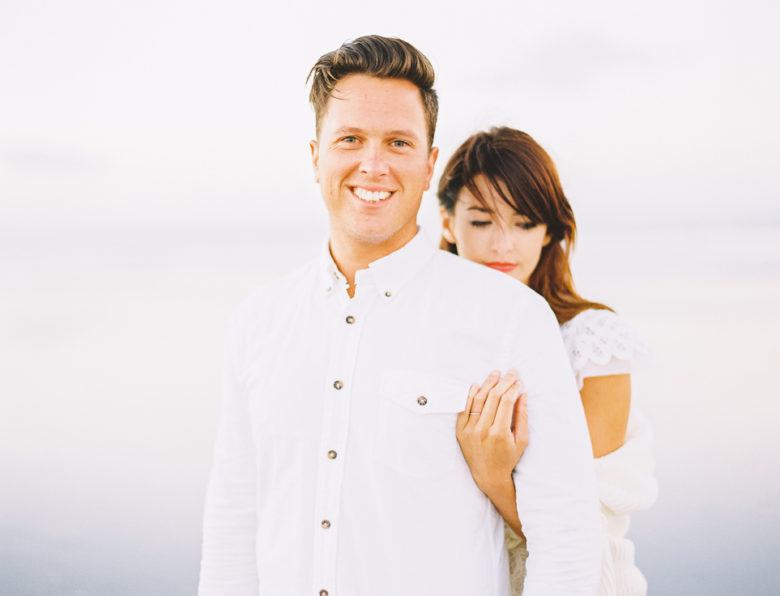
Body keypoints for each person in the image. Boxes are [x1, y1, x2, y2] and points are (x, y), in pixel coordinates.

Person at [198, 37, 601, 595]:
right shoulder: (257, 323)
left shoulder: (512, 319)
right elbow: (233, 525)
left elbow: (569, 541)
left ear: (430, 164)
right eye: (350, 139)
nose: (374, 164)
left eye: (398, 142)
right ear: (315, 156)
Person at [437, 126, 658, 595]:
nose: (502, 246)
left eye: (523, 223)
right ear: (446, 221)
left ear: (550, 230)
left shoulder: (592, 341)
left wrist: (493, 476)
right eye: (481, 221)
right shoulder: (423, 334)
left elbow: (587, 523)